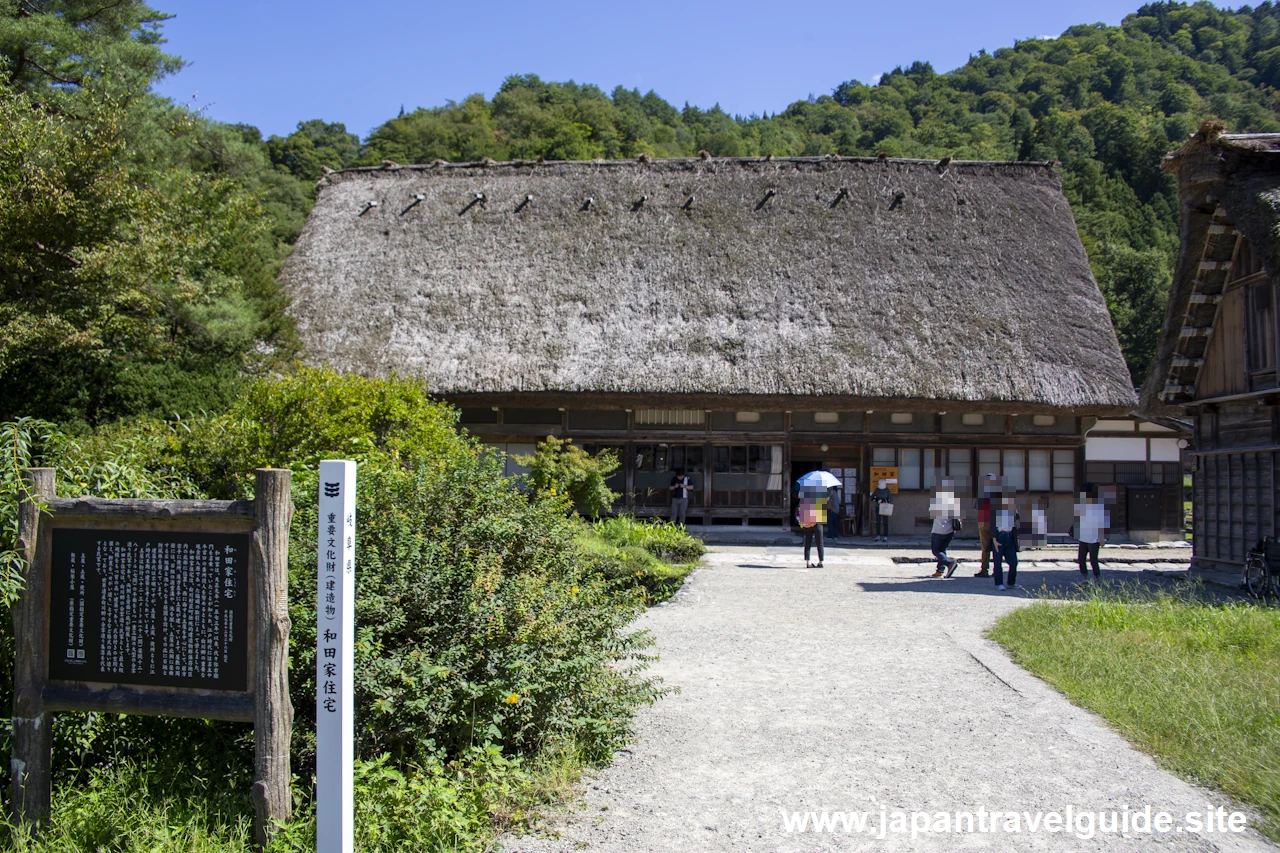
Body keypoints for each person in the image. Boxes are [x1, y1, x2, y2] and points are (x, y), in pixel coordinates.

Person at [1075, 484, 1108, 583]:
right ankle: (1084, 578)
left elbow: (1102, 521)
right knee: (1081, 559)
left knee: (1093, 559)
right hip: (1083, 535)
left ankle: (1096, 579)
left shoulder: (1098, 505)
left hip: (1094, 537)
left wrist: (1102, 538)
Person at [929, 481, 960, 578]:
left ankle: (949, 563)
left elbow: (931, 512)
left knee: (936, 550)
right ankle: (940, 570)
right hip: (950, 530)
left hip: (938, 530)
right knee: (942, 550)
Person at [972, 474, 998, 577]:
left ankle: (984, 569)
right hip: (996, 523)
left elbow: (976, 508)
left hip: (984, 522)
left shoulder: (982, 494)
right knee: (997, 547)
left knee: (985, 548)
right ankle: (997, 570)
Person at [992, 494, 1020, 591]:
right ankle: (998, 583)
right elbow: (991, 525)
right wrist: (994, 539)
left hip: (1010, 536)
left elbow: (1017, 521)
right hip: (1000, 536)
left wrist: (1016, 511)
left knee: (1013, 562)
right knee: (997, 561)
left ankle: (1011, 582)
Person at [798, 485, 826, 567]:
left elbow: (799, 509)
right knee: (820, 543)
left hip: (807, 522)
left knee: (808, 542)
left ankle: (808, 562)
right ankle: (821, 561)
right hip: (817, 522)